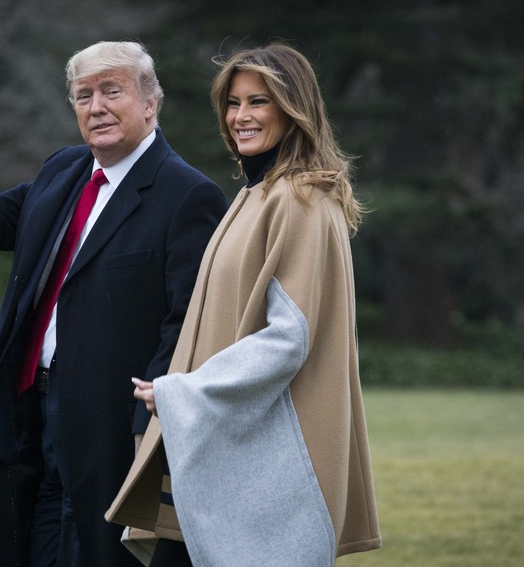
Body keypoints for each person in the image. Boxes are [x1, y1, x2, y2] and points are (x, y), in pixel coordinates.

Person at [0, 41, 228, 566]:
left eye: (112, 91)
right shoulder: (63, 171)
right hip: (28, 415)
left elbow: (188, 320)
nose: (96, 106)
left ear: (150, 102)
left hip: (113, 427)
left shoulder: (188, 195)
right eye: (83, 95)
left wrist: (153, 423)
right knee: (31, 547)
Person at [106, 43, 382, 565]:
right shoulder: (254, 195)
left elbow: (288, 339)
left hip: (269, 460)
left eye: (259, 101)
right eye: (233, 103)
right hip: (221, 444)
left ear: (293, 108)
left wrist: (184, 391)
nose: (241, 117)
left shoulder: (301, 199)